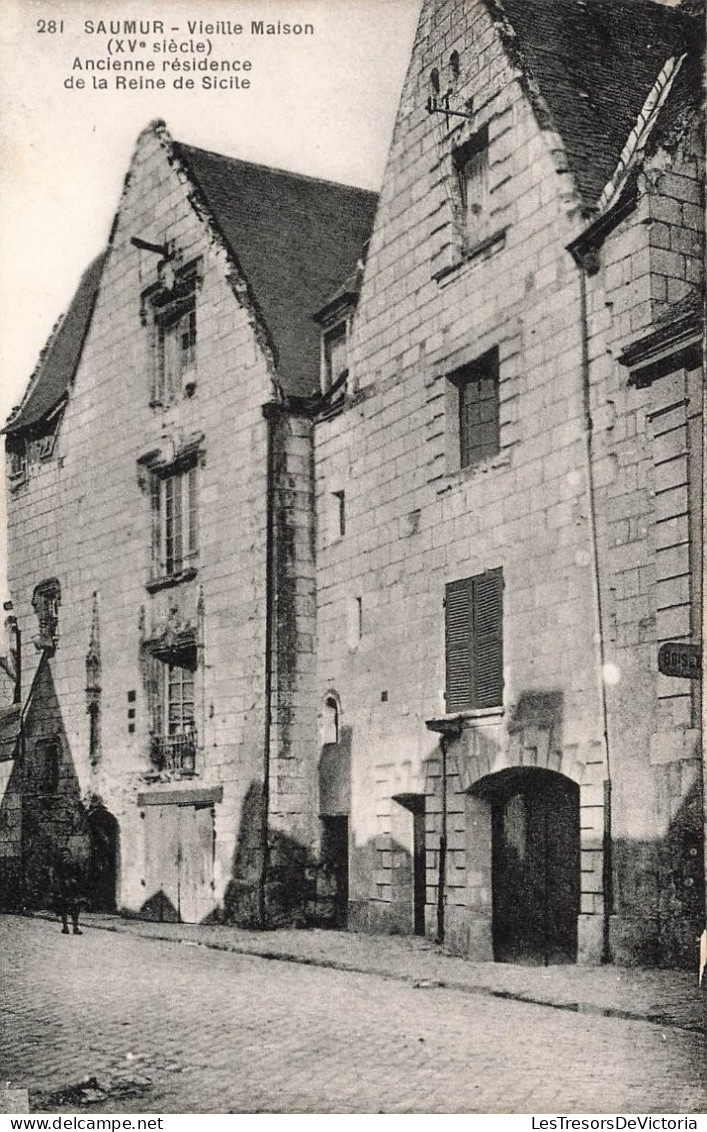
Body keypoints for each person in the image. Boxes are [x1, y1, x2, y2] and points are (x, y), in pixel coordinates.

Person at [53, 848, 84, 935]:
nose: (65, 856)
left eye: (66, 854)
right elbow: (56, 876)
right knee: (64, 908)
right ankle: (65, 927)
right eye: (63, 855)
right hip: (63, 889)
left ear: (70, 855)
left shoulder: (75, 864)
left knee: (75, 908)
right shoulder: (59, 865)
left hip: (74, 889)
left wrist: (76, 881)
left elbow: (81, 875)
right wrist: (61, 883)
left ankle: (75, 927)